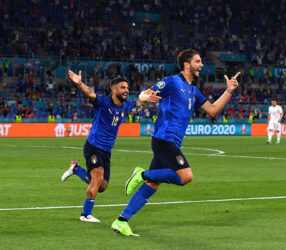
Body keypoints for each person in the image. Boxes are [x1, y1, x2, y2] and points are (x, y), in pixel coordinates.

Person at [111, 48, 240, 236]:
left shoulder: (194, 91)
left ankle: (121, 220)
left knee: (153, 185)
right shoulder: (172, 81)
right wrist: (143, 97)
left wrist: (229, 91)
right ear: (187, 64)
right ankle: (142, 174)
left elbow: (212, 111)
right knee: (186, 176)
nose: (202, 65)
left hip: (171, 143)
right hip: (164, 140)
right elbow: (148, 93)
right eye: (198, 61)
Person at [61, 70, 160, 223]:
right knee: (98, 178)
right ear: (113, 89)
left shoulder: (125, 106)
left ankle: (75, 169)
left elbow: (138, 102)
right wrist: (80, 84)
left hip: (107, 151)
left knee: (102, 186)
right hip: (93, 146)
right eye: (123, 88)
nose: (126, 90)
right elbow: (90, 93)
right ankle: (85, 214)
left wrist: (144, 98)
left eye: (127, 88)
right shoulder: (103, 102)